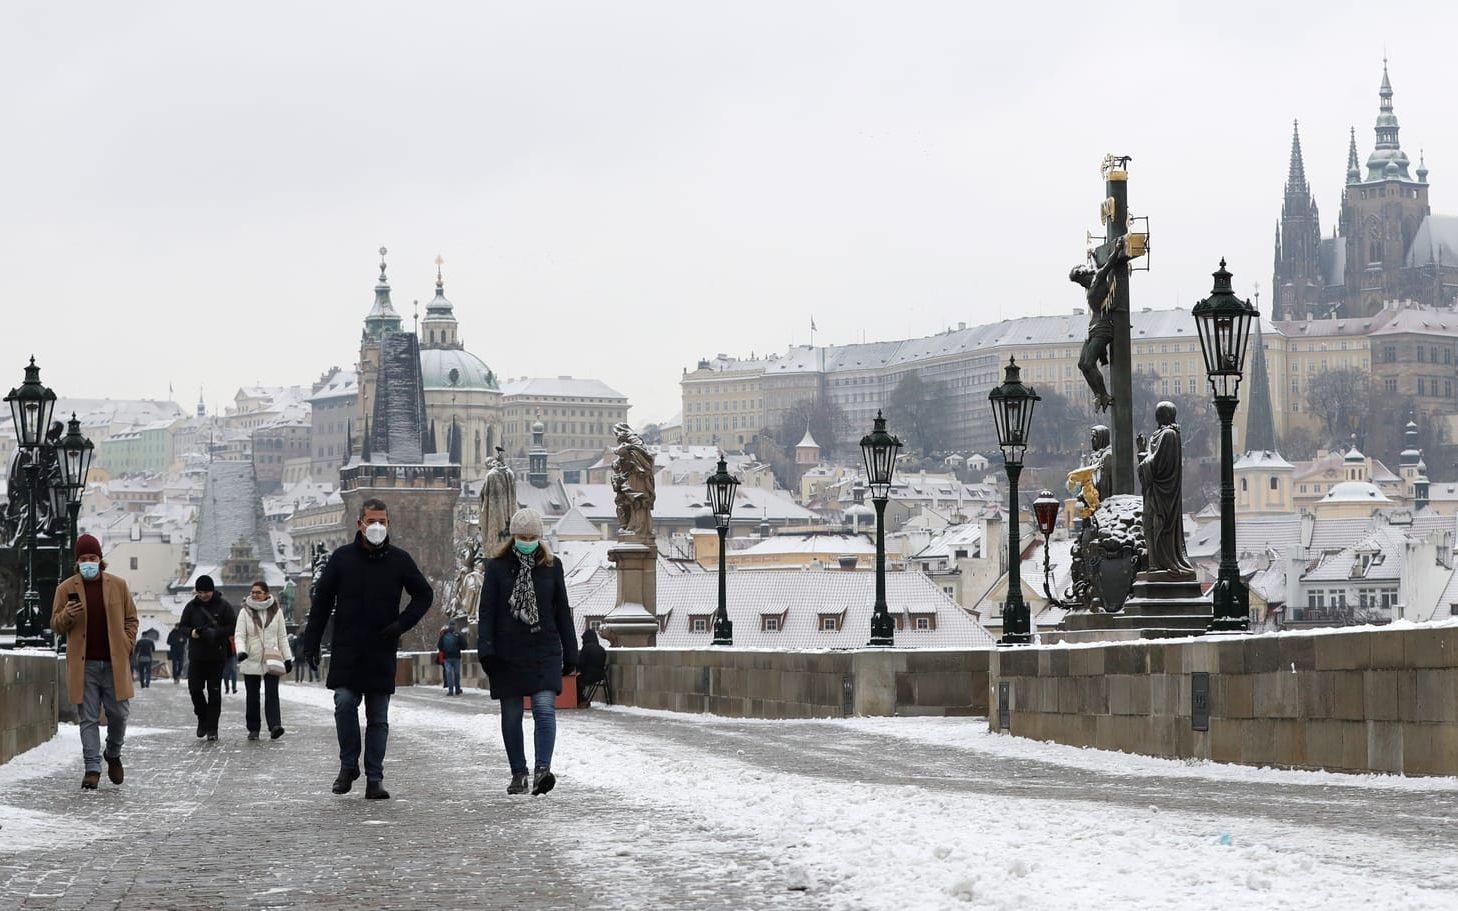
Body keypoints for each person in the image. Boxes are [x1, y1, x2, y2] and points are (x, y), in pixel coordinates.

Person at [299, 498, 433, 800]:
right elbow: (321, 604)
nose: (377, 527)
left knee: (378, 717)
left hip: (381, 648)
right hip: (347, 647)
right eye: (372, 521)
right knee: (344, 703)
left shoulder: (400, 560)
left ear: (388, 524)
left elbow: (424, 595)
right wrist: (311, 642)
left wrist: (401, 625)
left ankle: (375, 777)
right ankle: (348, 765)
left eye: (382, 521)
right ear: (359, 523)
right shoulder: (342, 558)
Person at [479, 508, 578, 797]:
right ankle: (518, 772)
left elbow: (562, 612)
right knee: (511, 716)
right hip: (507, 652)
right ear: (513, 537)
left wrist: (571, 652)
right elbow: (487, 612)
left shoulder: (552, 566)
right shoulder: (496, 567)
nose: (527, 541)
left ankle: (542, 771)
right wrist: (486, 650)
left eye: (532, 537)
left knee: (545, 710)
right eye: (522, 537)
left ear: (540, 537)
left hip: (544, 648)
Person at [50, 534, 137, 790]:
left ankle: (113, 753)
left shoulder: (118, 585)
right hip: (83, 664)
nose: (89, 563)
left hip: (114, 663)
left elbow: (131, 618)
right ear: (77, 562)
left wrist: (127, 642)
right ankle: (92, 768)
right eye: (84, 559)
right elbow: (55, 624)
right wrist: (67, 614)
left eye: (93, 558)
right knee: (88, 717)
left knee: (119, 714)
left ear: (100, 560)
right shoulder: (66, 588)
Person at [234, 580, 294, 740]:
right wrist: (241, 651)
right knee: (252, 695)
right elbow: (239, 635)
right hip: (251, 656)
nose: (254, 595)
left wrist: (287, 658)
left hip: (271, 657)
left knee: (272, 693)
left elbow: (282, 636)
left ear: (266, 594)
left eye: (258, 592)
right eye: (253, 592)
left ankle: (275, 725)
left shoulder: (277, 611)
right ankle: (253, 728)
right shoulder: (244, 612)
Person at [180, 575, 235, 741]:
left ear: (212, 590)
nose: (203, 595)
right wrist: (192, 632)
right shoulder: (191, 607)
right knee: (195, 690)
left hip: (216, 656)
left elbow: (233, 626)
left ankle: (212, 728)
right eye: (200, 592)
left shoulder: (224, 606)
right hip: (196, 656)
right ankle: (202, 718)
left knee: (214, 692)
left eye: (206, 592)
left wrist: (216, 633)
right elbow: (182, 626)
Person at [576, 628, 608, 707]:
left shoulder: (586, 648)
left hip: (588, 677)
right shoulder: (601, 649)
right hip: (600, 676)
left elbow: (581, 663)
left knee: (575, 682)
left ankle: (582, 700)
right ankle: (583, 700)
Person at [438, 623, 465, 696]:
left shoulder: (444, 635)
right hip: (456, 657)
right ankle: (457, 689)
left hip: (447, 658)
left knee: (449, 674)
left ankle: (450, 690)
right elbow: (464, 646)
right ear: (454, 626)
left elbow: (439, 646)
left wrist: (445, 651)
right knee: (457, 674)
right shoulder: (458, 635)